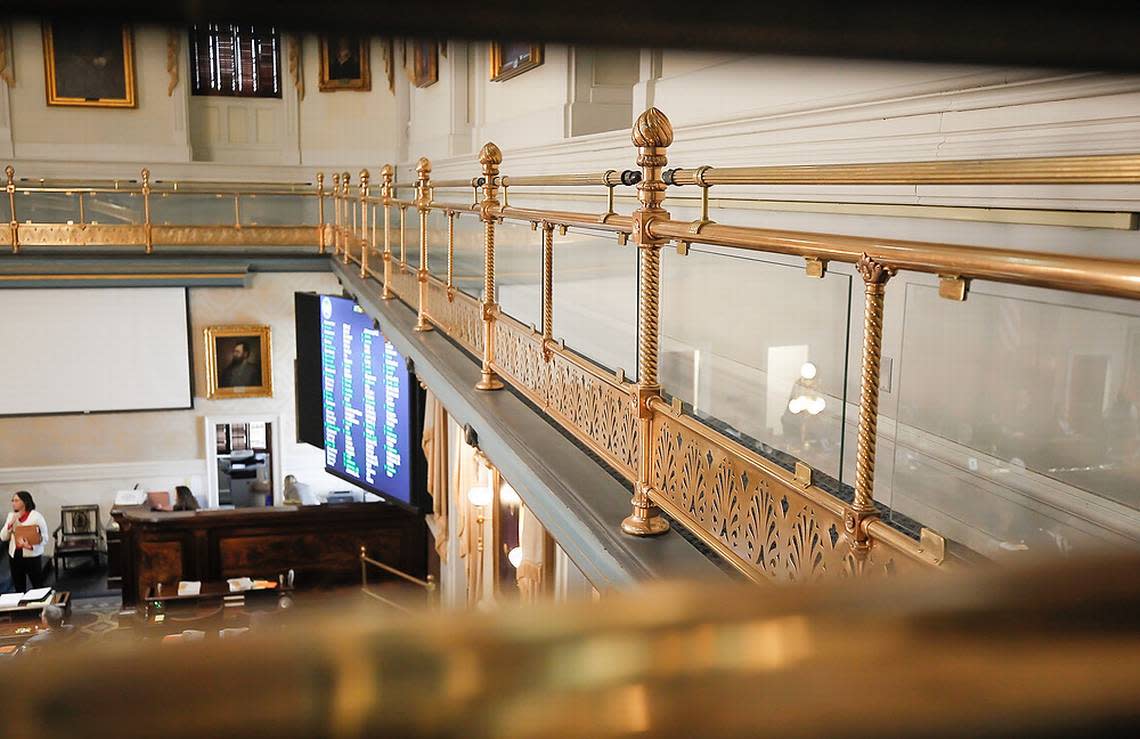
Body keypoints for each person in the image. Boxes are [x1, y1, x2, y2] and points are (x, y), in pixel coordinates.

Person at [1, 491, 50, 592]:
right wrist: (10, 524)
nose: (13, 503)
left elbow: (45, 538)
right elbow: (3, 537)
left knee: (37, 586)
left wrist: (30, 546)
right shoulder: (11, 516)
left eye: (16, 500)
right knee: (19, 587)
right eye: (12, 501)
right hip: (15, 555)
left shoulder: (36, 517)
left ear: (24, 502)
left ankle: (39, 606)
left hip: (32, 555)